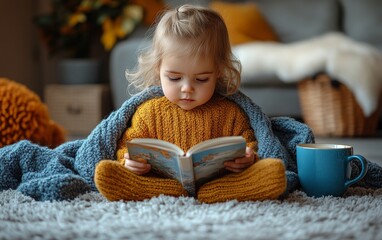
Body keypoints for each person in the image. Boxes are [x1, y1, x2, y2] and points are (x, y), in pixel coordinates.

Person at [94, 4, 286, 203]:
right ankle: (168, 190)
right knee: (109, 173)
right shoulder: (148, 112)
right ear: (158, 69)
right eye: (175, 78)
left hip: (221, 182)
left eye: (201, 79)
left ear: (218, 72)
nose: (187, 88)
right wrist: (128, 161)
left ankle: (216, 192)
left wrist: (248, 158)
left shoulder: (230, 112)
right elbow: (127, 144)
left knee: (271, 171)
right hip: (160, 182)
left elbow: (249, 144)